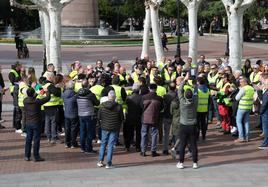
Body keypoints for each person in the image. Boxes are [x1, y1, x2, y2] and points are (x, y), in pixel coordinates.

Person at [176, 73, 199, 169]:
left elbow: (180, 91)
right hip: (193, 125)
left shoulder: (182, 101)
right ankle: (195, 163)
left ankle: (181, 162)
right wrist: (194, 85)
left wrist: (184, 80)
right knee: (193, 144)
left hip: (184, 125)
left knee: (182, 144)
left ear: (185, 95)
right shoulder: (195, 101)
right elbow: (196, 93)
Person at [97, 90, 124, 168]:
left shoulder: (102, 106)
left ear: (108, 97)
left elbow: (99, 117)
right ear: (115, 97)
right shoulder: (119, 106)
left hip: (104, 127)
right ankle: (109, 163)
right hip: (114, 127)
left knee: (103, 144)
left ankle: (100, 161)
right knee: (111, 145)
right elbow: (121, 118)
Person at [24, 87, 50, 162]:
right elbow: (47, 98)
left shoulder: (25, 101)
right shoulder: (37, 102)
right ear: (33, 94)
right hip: (36, 122)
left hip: (28, 123)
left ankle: (27, 156)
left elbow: (31, 96)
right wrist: (46, 91)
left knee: (28, 139)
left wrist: (37, 93)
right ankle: (36, 156)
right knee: (36, 140)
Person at [140, 84, 163, 157]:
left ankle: (143, 151)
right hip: (155, 118)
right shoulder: (159, 98)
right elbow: (162, 107)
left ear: (149, 88)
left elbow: (141, 106)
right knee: (154, 134)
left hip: (145, 118)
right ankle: (153, 151)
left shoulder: (144, 97)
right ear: (156, 89)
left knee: (144, 134)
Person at [77, 79, 99, 154]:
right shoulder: (91, 94)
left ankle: (83, 147)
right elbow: (97, 103)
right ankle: (89, 148)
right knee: (89, 132)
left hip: (81, 114)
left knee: (82, 131)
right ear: (88, 85)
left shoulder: (77, 94)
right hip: (89, 115)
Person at [43, 72, 62, 144]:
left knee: (48, 121)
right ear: (50, 78)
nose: (54, 79)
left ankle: (48, 136)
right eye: (53, 77)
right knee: (53, 122)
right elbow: (57, 94)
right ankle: (54, 137)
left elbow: (40, 92)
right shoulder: (50, 85)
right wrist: (58, 88)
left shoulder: (44, 84)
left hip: (46, 105)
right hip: (53, 106)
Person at [124, 83, 143, 152]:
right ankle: (138, 147)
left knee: (128, 132)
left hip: (129, 116)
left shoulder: (128, 97)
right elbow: (142, 107)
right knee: (138, 133)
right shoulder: (141, 98)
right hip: (138, 117)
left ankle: (127, 146)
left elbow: (126, 106)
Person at [234, 77, 254, 143]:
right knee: (246, 122)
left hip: (242, 107)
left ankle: (241, 137)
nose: (240, 83)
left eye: (241, 82)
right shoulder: (251, 88)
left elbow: (237, 98)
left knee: (239, 122)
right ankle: (247, 137)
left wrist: (240, 90)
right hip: (249, 107)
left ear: (245, 82)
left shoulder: (243, 89)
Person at [62, 80, 79, 148]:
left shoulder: (64, 94)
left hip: (66, 113)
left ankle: (67, 143)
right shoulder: (75, 95)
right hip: (74, 113)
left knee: (67, 129)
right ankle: (73, 143)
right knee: (73, 129)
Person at [162, 82, 177, 155]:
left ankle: (165, 149)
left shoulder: (165, 96)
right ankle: (175, 148)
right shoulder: (177, 95)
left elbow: (163, 106)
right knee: (175, 133)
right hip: (175, 116)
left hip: (166, 116)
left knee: (166, 133)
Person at [196, 76, 209, 141]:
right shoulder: (207, 89)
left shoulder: (197, 90)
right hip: (205, 109)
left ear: (198, 82)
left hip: (198, 109)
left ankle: (197, 136)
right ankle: (204, 136)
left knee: (197, 124)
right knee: (203, 123)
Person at [258, 78, 268, 149]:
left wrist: (261, 111)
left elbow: (264, 103)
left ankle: (266, 143)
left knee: (266, 128)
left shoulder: (267, 92)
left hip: (266, 112)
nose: (263, 85)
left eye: (265, 84)